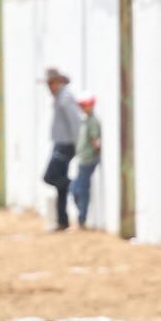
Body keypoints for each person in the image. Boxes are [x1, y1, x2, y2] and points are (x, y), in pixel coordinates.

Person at [41, 66, 81, 232]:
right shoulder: (60, 97)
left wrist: (78, 144)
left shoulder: (65, 97)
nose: (49, 87)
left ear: (58, 82)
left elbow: (75, 122)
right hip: (61, 143)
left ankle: (73, 185)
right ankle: (63, 221)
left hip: (65, 144)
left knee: (50, 177)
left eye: (51, 83)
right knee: (59, 186)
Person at [72, 94, 101, 231]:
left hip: (88, 160)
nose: (83, 108)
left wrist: (95, 153)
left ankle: (81, 219)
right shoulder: (85, 121)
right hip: (82, 159)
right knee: (76, 189)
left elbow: (96, 142)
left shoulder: (93, 121)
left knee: (81, 190)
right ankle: (81, 218)